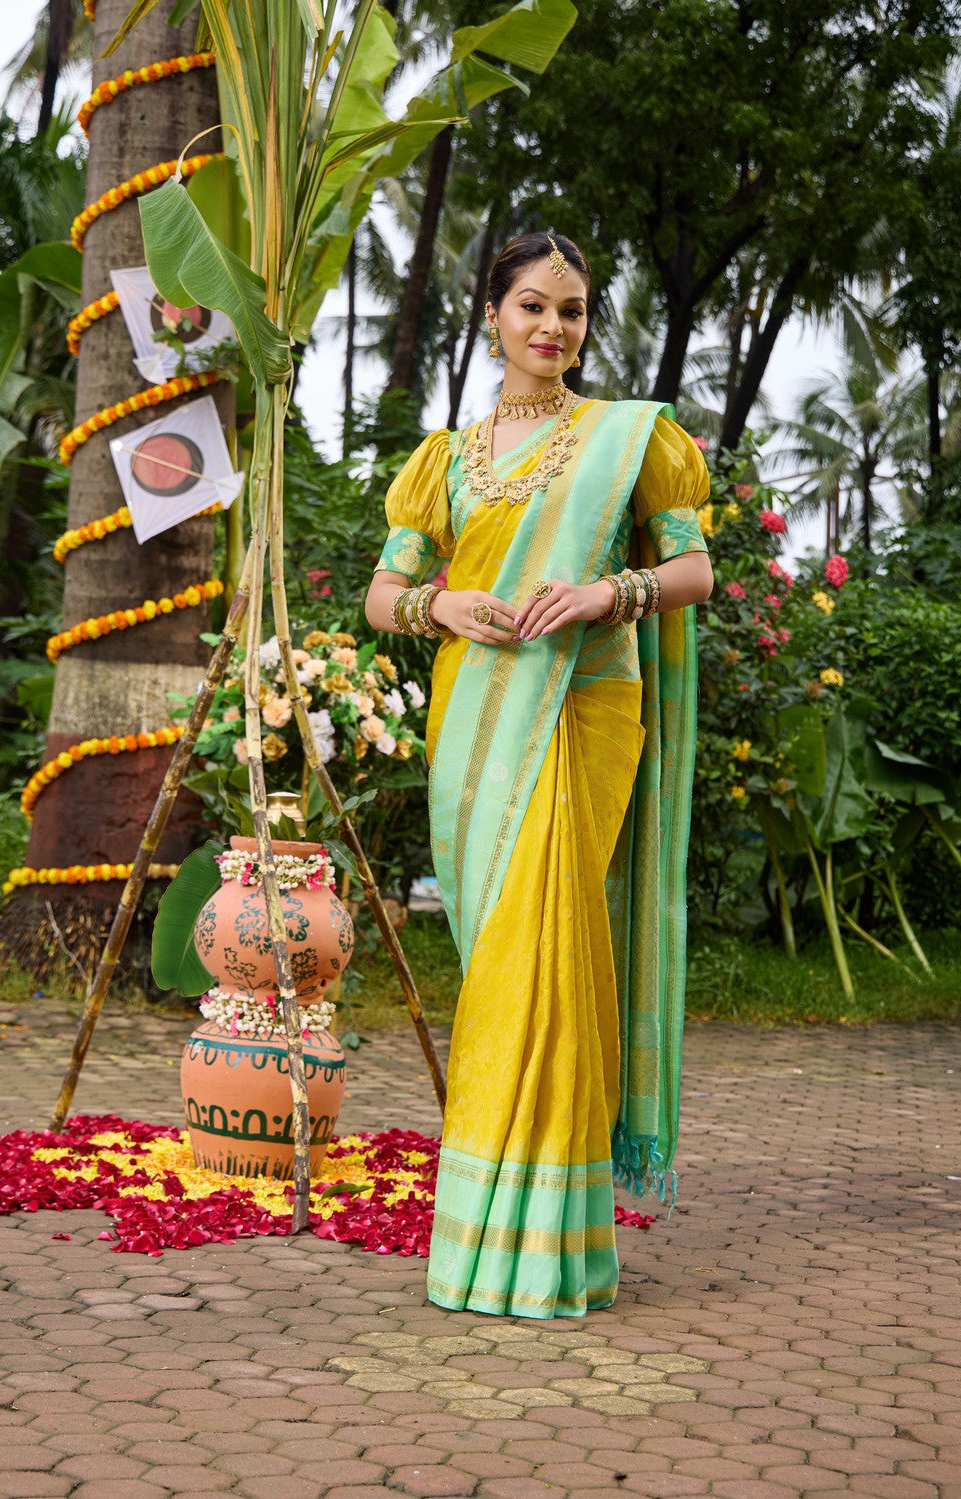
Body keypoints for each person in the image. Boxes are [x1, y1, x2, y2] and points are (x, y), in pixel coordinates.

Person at [364, 231, 713, 1319]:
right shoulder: (442, 458)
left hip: (581, 706)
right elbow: (385, 594)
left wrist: (614, 594)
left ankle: (547, 1247)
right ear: (492, 317)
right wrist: (443, 606)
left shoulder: (629, 440)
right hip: (479, 713)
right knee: (499, 956)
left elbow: (695, 567)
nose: (552, 327)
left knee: (550, 948)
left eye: (570, 309)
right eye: (531, 306)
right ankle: (485, 1237)